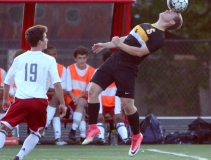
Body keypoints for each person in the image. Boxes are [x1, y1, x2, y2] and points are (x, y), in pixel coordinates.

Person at [82, 10, 183, 157]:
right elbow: (126, 38)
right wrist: (107, 45)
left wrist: (118, 44)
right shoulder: (145, 25)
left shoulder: (158, 37)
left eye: (171, 13)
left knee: (127, 105)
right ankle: (93, 127)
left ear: (171, 22)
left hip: (128, 67)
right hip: (114, 60)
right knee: (92, 90)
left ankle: (136, 135)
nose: (168, 10)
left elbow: (139, 52)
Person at [0, 25, 67, 160]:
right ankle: (19, 157)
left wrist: (5, 99)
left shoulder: (19, 58)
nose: (47, 40)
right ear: (39, 42)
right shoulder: (49, 60)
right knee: (38, 131)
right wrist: (62, 103)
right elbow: (57, 83)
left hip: (21, 101)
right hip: (39, 101)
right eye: (45, 37)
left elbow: (7, 82)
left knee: (3, 127)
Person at [96, 51, 130, 145]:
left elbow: (121, 91)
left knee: (118, 118)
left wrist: (119, 107)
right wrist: (98, 108)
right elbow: (95, 91)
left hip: (114, 103)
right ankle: (101, 139)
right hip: (101, 103)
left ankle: (126, 139)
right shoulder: (97, 72)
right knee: (99, 118)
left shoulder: (119, 73)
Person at [65, 46, 95, 144]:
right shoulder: (70, 68)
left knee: (81, 102)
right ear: (75, 58)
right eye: (79, 58)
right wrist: (74, 97)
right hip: (71, 98)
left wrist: (78, 97)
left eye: (84, 58)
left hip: (84, 97)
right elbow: (68, 88)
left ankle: (73, 130)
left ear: (87, 58)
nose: (82, 60)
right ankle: (82, 136)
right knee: (81, 109)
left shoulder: (92, 71)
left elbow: (89, 90)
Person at [43, 46, 67, 145]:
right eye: (50, 54)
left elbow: (64, 90)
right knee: (56, 102)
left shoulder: (62, 68)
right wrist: (55, 90)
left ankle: (44, 127)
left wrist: (51, 91)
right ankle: (58, 138)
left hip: (57, 98)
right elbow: (42, 90)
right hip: (42, 98)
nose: (53, 57)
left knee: (56, 98)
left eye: (54, 54)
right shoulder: (41, 67)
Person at [8, 49, 26, 139]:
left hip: (27, 99)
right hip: (13, 100)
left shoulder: (29, 73)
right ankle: (14, 135)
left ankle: (35, 134)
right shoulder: (10, 72)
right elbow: (10, 90)